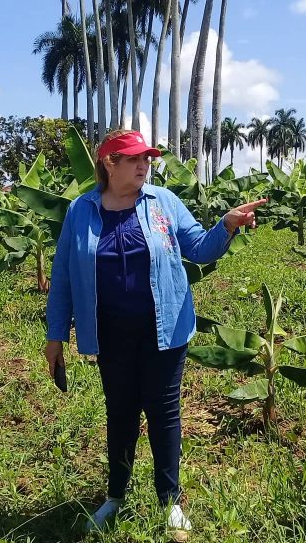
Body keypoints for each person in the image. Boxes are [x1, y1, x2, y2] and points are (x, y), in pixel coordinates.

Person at [44, 129, 265, 532]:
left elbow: (198, 248)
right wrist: (55, 333)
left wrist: (227, 225)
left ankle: (169, 500)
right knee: (120, 413)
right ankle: (115, 495)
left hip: (164, 329)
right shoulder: (81, 210)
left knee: (164, 414)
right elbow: (62, 277)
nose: (144, 164)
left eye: (147, 158)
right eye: (134, 159)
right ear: (109, 163)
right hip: (108, 333)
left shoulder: (164, 202)